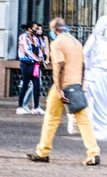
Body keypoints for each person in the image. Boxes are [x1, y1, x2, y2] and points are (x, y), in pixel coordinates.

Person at [26, 17, 101, 166]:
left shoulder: (57, 43)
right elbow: (83, 65)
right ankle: (93, 152)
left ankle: (43, 152)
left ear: (55, 29)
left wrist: (59, 88)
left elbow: (59, 65)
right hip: (75, 84)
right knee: (83, 120)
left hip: (62, 86)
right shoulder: (77, 43)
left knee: (51, 118)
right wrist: (80, 82)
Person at [81, 15, 107, 141]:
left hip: (104, 75)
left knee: (104, 101)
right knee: (96, 101)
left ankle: (104, 126)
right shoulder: (94, 38)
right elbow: (85, 54)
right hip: (95, 74)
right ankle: (95, 127)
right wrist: (88, 71)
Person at [16, 23, 45, 115]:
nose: (37, 30)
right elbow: (26, 50)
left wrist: (41, 58)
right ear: (29, 28)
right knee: (25, 84)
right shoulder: (23, 37)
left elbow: (39, 49)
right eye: (35, 28)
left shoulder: (36, 38)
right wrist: (37, 58)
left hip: (35, 64)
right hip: (26, 63)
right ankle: (20, 106)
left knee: (37, 85)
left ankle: (36, 107)